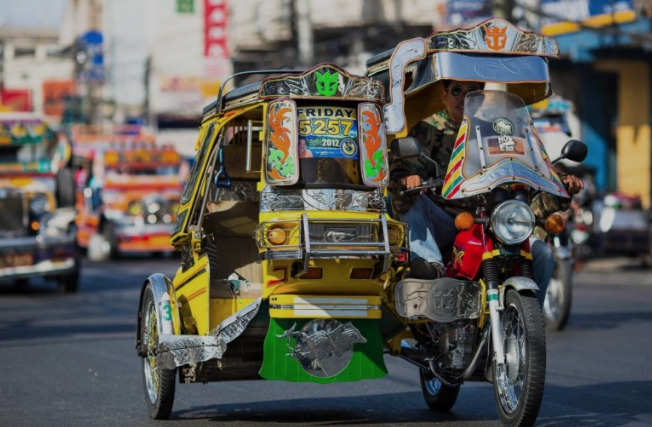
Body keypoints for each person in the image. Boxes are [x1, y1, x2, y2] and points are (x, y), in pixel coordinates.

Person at [390, 79, 584, 307]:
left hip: (492, 221)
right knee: (414, 201)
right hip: (446, 219)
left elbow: (527, 171)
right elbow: (404, 171)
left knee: (542, 255)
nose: (463, 97)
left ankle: (529, 323)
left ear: (481, 96)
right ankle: (430, 265)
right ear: (444, 96)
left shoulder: (499, 129)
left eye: (472, 91)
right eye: (456, 91)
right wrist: (408, 179)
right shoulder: (429, 129)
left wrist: (560, 185)